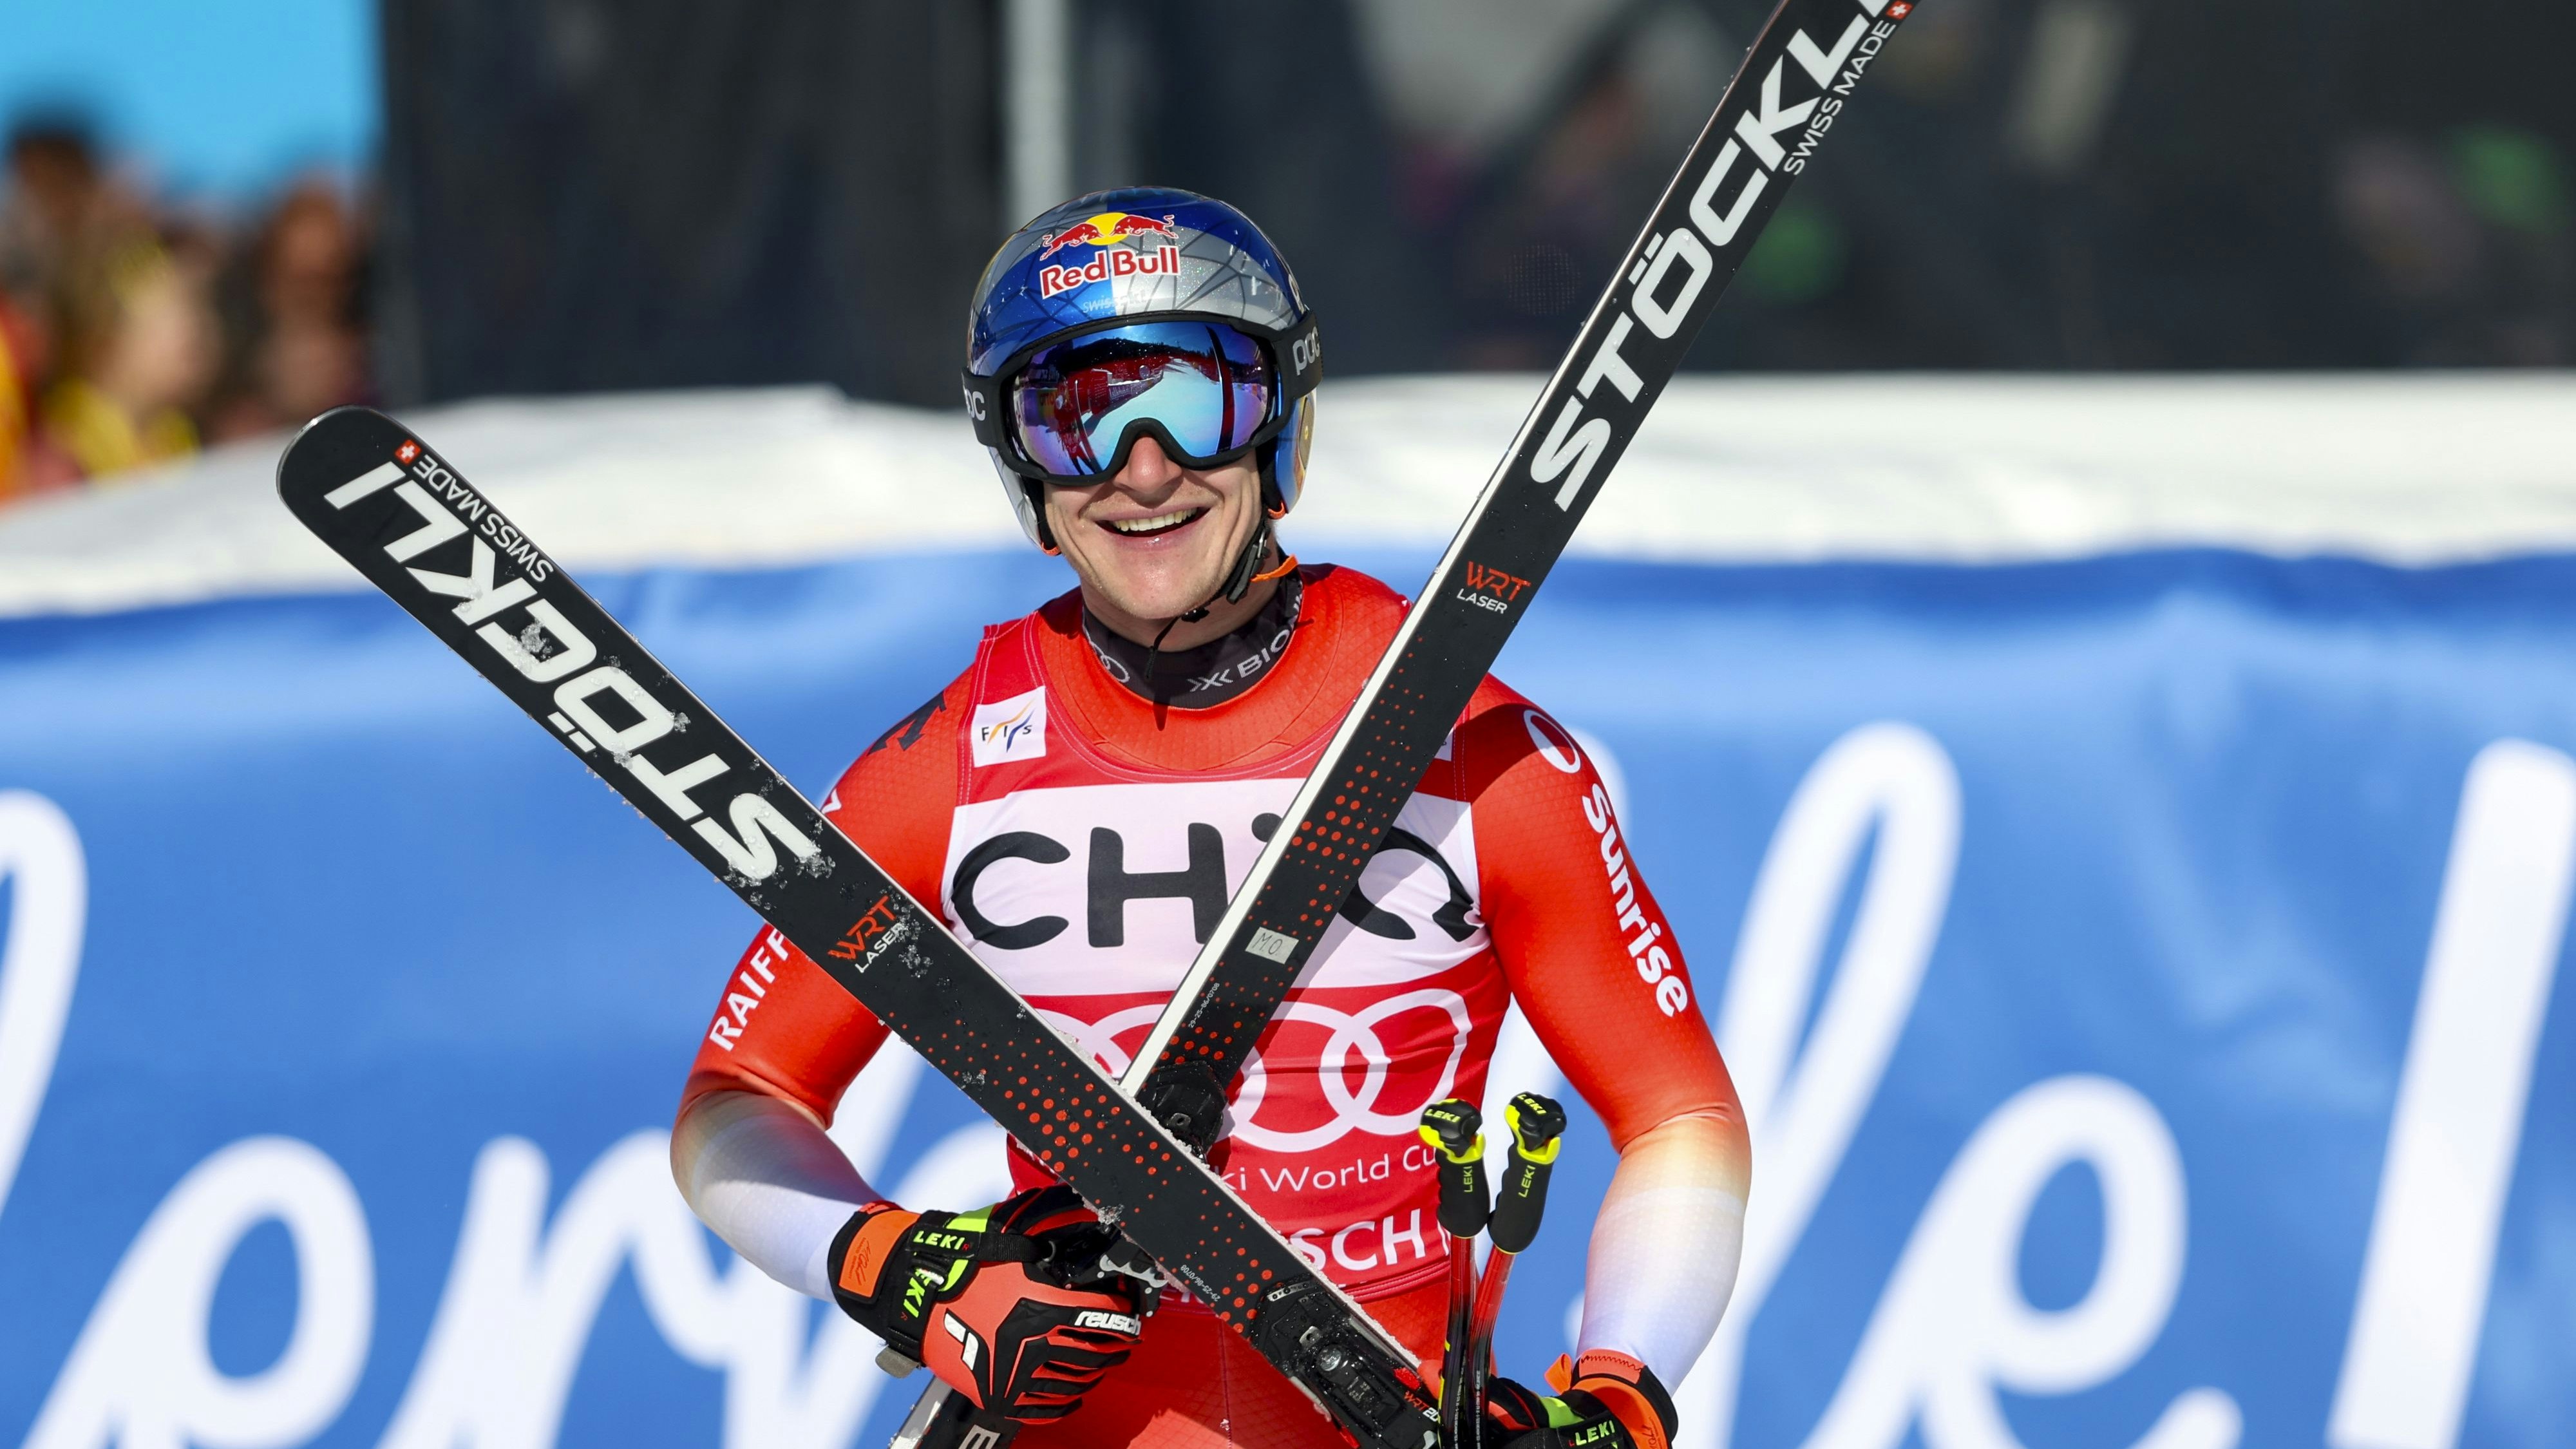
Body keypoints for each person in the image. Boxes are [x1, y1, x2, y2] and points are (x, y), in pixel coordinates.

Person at [672, 187, 1748, 1448]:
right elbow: (735, 1104)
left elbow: (1677, 1114)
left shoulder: (1471, 744)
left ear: (1278, 422)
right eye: (1073, 414)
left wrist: (1620, 1396)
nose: (1141, 467)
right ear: (1017, 457)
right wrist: (900, 1271)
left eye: (1194, 401)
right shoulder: (949, 768)